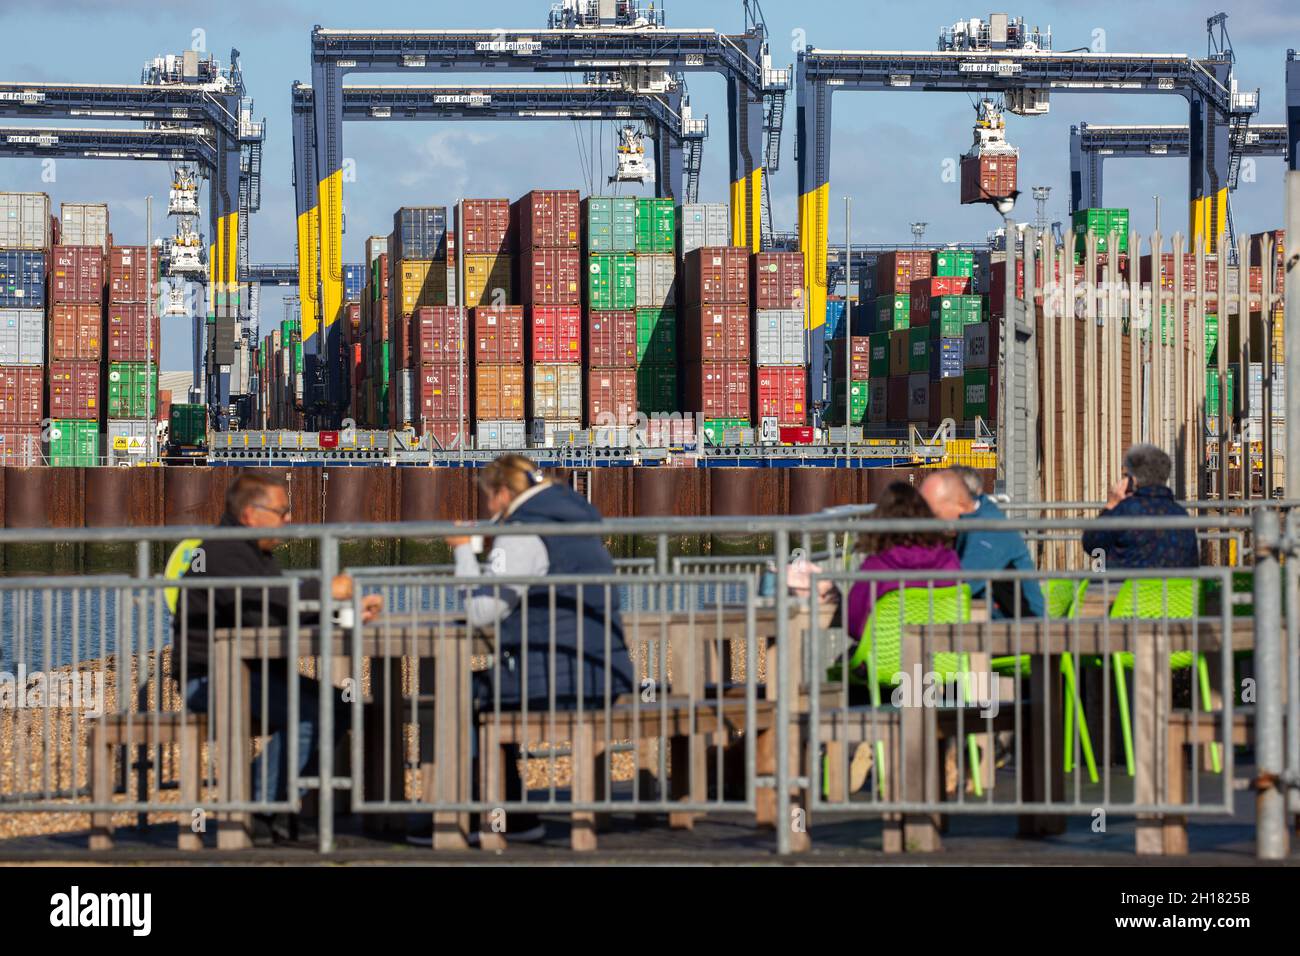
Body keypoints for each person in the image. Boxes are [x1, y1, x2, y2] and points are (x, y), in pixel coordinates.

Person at [407, 454, 634, 846]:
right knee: (490, 691)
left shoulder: (524, 530)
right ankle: (516, 814)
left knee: (459, 694)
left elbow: (482, 612)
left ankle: (455, 819)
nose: (488, 509)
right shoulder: (575, 522)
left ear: (502, 493)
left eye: (488, 499)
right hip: (601, 673)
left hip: (556, 678)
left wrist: (463, 550)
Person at [166, 471, 382, 841]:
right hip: (211, 678)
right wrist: (327, 590)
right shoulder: (221, 552)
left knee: (339, 705)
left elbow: (278, 607)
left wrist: (339, 611)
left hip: (253, 673)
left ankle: (276, 805)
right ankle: (262, 807)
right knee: (314, 711)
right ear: (251, 513)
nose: (288, 520)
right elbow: (266, 604)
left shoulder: (252, 552)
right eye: (282, 512)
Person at [845, 481, 962, 656]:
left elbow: (854, 624)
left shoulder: (876, 567)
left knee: (845, 666)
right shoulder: (949, 561)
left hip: (887, 661)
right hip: (942, 659)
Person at [919, 467, 1045, 619]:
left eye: (935, 514)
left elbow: (958, 586)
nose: (931, 522)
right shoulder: (976, 520)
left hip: (1023, 630)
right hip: (1002, 623)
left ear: (959, 503)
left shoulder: (988, 532)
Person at [1081, 443, 1199, 569]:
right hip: (1175, 588)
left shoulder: (1126, 511)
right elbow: (1193, 562)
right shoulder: (1181, 514)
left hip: (1129, 587)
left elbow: (1092, 545)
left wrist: (1111, 504)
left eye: (1125, 475)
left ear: (1134, 479)